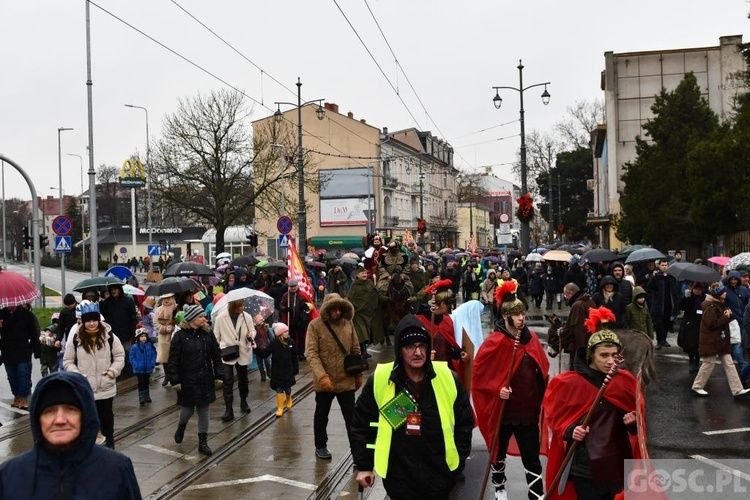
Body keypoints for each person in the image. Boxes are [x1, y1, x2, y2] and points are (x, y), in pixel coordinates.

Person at [350, 315, 475, 499]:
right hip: (399, 478)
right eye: (410, 346)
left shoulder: (447, 377)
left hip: (439, 476)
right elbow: (361, 425)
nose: (417, 352)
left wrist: (457, 465)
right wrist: (364, 466)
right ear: (400, 350)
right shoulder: (381, 379)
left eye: (422, 345)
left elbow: (465, 423)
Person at [543, 312, 640, 500]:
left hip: (615, 461)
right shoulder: (569, 383)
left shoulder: (625, 382)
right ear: (591, 355)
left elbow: (639, 424)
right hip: (584, 465)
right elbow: (555, 417)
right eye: (604, 355)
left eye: (614, 355)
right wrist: (571, 429)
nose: (611, 361)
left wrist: (632, 424)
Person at [0, 371, 141, 499]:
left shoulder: (116, 469)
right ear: (38, 419)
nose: (60, 420)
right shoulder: (9, 476)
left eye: (70, 409)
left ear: (84, 416)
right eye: (49, 411)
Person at [472, 279, 550, 500]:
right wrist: (498, 390)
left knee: (531, 456)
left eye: (523, 314)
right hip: (504, 411)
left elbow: (542, 371)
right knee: (499, 454)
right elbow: (480, 378)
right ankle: (499, 489)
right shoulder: (494, 342)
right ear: (506, 317)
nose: (521, 319)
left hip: (528, 411)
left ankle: (536, 493)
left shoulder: (532, 339)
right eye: (517, 315)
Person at [305, 293, 362, 460]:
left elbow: (355, 350)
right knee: (321, 415)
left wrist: (357, 374)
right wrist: (322, 376)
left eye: (339, 309)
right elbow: (312, 353)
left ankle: (356, 450)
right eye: (333, 309)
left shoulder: (348, 323)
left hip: (346, 380)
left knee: (352, 418)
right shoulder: (315, 326)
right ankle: (320, 445)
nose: (337, 312)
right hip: (325, 381)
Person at [63, 301, 125, 449]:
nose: (91, 324)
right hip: (86, 388)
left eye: (94, 320)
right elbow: (68, 361)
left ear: (98, 320)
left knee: (106, 418)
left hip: (105, 387)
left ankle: (110, 446)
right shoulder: (76, 338)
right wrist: (78, 376)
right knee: (88, 419)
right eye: (88, 321)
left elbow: (119, 356)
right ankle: (90, 447)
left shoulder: (109, 336)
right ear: (83, 322)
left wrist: (111, 373)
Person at [168, 304, 223, 456]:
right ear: (192, 319)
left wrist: (219, 374)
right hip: (187, 379)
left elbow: (216, 354)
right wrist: (175, 380)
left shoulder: (207, 334)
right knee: (187, 409)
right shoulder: (179, 336)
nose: (205, 318)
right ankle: (181, 426)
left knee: (204, 410)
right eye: (201, 316)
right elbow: (173, 359)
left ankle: (203, 442)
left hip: (204, 377)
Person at [691, 283, 750, 398]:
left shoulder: (720, 304)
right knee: (708, 364)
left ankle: (737, 390)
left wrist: (728, 315)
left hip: (720, 340)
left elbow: (722, 321)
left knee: (729, 364)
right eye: (723, 292)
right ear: (719, 294)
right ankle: (697, 386)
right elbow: (712, 324)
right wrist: (725, 317)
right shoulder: (711, 307)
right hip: (712, 341)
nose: (726, 293)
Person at [213, 298, 255, 421]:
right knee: (227, 381)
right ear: (233, 306)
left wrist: (251, 335)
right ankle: (228, 409)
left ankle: (243, 401)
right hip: (227, 353)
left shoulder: (246, 317)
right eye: (240, 306)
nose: (242, 308)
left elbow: (252, 330)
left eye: (243, 305)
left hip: (242, 351)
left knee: (243, 379)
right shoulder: (221, 318)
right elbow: (216, 336)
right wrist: (218, 351)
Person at [0, 304, 41, 411]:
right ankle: (16, 395)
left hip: (23, 351)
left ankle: (23, 398)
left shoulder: (26, 315)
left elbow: (34, 334)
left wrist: (36, 351)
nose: (10, 305)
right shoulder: (2, 314)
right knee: (11, 376)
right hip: (7, 352)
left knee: (23, 374)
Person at [253, 322, 299, 417]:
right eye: (285, 331)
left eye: (287, 331)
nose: (287, 333)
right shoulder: (274, 344)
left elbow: (295, 357)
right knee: (279, 389)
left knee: (287, 389)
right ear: (279, 333)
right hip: (277, 371)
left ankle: (289, 398)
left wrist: (295, 370)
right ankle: (280, 407)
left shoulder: (291, 342)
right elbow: (264, 353)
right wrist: (256, 348)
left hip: (288, 370)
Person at [348, 264, 387, 358]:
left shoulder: (369, 283)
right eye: (362, 273)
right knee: (362, 333)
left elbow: (377, 294)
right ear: (358, 275)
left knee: (370, 334)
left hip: (370, 313)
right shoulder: (354, 285)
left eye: (365, 273)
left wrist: (388, 299)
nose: (364, 274)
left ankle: (364, 350)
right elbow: (350, 298)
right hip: (359, 314)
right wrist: (353, 309)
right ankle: (363, 351)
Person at [558, 283, 596, 370]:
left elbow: (577, 328)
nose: (566, 298)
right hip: (592, 342)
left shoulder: (577, 305)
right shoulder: (590, 301)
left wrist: (563, 332)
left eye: (566, 295)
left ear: (571, 293)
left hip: (581, 347)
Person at [99, 283, 138, 367]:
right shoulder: (107, 302)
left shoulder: (128, 301)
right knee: (113, 352)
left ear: (120, 289)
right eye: (112, 289)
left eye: (116, 289)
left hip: (125, 332)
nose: (114, 291)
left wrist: (132, 332)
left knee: (126, 351)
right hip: (112, 333)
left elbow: (133, 317)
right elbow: (103, 317)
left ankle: (128, 369)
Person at [645, 259, 680, 349]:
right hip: (658, 304)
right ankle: (659, 340)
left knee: (666, 322)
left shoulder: (671, 277)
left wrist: (676, 305)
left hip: (668, 303)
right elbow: (649, 288)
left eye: (666, 265)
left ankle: (664, 339)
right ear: (659, 266)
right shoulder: (656, 276)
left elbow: (675, 291)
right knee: (658, 323)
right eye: (662, 265)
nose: (664, 267)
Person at [280, 279, 312, 360]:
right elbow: (281, 305)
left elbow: (310, 306)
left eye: (294, 286)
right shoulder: (286, 295)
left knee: (301, 338)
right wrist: (285, 308)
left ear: (297, 286)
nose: (293, 288)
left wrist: (304, 307)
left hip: (301, 320)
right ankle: (293, 353)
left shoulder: (302, 295)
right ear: (289, 287)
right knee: (291, 338)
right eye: (291, 286)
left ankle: (301, 353)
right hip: (290, 320)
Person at [677, 283, 704, 373]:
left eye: (699, 289)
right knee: (690, 344)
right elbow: (681, 307)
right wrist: (685, 298)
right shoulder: (689, 297)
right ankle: (691, 360)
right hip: (689, 324)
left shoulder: (704, 298)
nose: (697, 291)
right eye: (696, 289)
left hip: (700, 324)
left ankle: (697, 360)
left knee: (699, 344)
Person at [154, 292, 177, 386]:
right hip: (164, 336)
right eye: (164, 298)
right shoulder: (159, 310)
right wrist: (163, 328)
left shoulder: (177, 308)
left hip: (175, 334)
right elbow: (155, 322)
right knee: (165, 357)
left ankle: (175, 375)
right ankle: (167, 375)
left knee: (175, 356)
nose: (166, 300)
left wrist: (174, 327)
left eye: (168, 298)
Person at [129, 328, 157, 406]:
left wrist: (152, 363)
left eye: (145, 336)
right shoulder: (135, 347)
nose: (143, 338)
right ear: (138, 338)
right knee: (141, 383)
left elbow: (153, 355)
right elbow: (132, 357)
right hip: (139, 369)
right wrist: (135, 365)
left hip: (148, 368)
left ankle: (147, 396)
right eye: (141, 336)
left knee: (146, 382)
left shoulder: (149, 346)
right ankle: (141, 397)